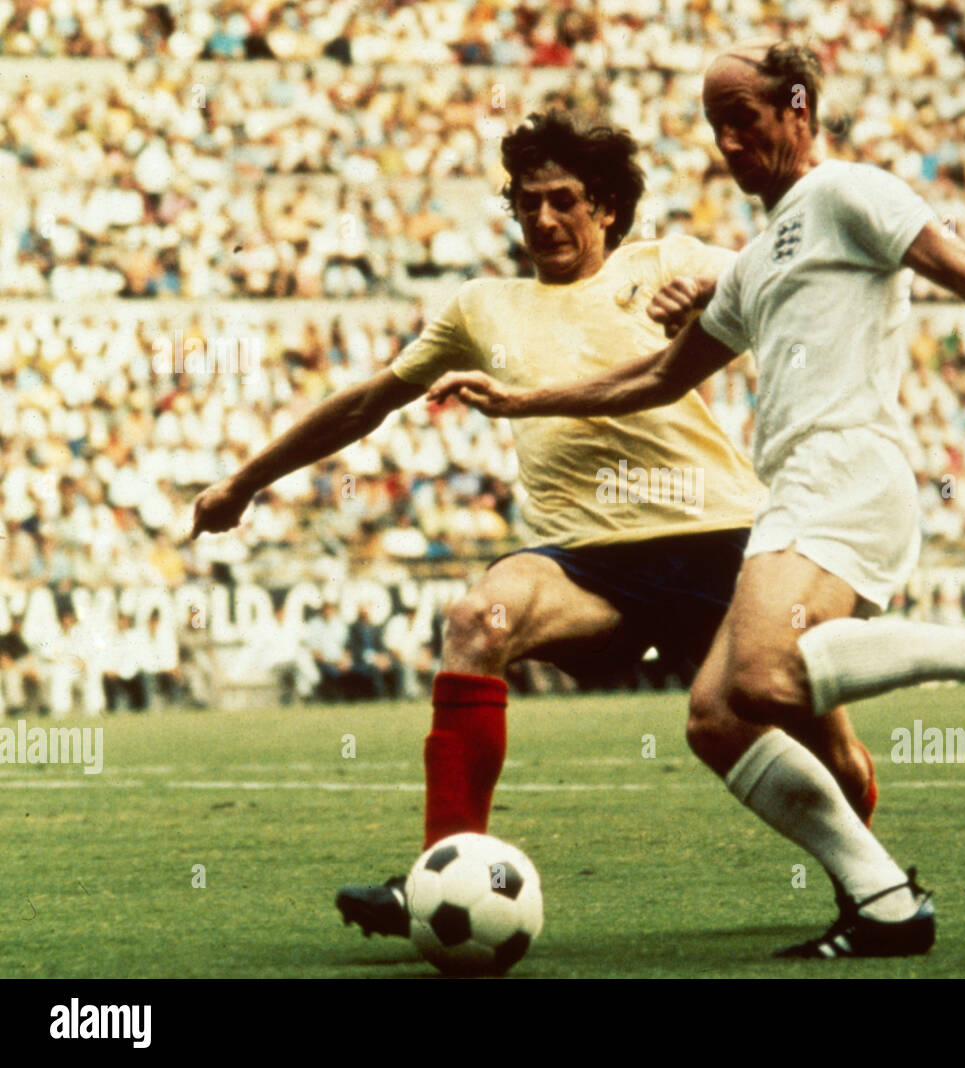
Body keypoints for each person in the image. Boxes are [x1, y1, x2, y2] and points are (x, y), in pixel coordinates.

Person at [426, 42, 965, 958]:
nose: (729, 141)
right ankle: (886, 905)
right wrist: (522, 399)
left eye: (743, 117)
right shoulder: (756, 259)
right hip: (794, 488)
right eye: (715, 126)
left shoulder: (848, 193)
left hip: (851, 470)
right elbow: (660, 377)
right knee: (719, 718)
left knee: (760, 679)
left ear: (797, 108)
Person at [190, 109, 882, 943]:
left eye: (563, 200)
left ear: (607, 209)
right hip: (587, 563)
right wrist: (243, 482)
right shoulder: (483, 307)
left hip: (722, 543)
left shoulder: (668, 261)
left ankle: (870, 886)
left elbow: (784, 278)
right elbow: (369, 403)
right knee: (477, 619)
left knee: (826, 748)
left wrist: (714, 291)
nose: (544, 220)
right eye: (526, 204)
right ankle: (441, 873)